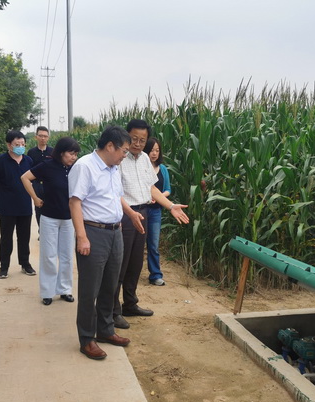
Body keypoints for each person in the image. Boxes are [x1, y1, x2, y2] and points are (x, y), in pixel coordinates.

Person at [113, 119, 189, 330]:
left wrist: (170, 206)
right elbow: (115, 192)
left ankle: (130, 303)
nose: (138, 144)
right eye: (134, 139)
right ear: (127, 136)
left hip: (143, 212)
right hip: (126, 215)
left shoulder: (145, 158)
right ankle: (113, 310)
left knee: (136, 262)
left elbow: (152, 189)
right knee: (120, 264)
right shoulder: (119, 159)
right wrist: (129, 213)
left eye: (142, 140)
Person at [68, 126, 134, 360]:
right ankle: (87, 338)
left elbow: (116, 196)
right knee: (90, 288)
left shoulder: (113, 168)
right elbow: (75, 202)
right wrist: (81, 236)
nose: (125, 155)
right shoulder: (85, 166)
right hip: (93, 232)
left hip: (115, 232)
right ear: (110, 146)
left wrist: (129, 214)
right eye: (124, 151)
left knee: (110, 284)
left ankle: (105, 330)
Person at [21, 137, 79, 305]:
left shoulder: (75, 169)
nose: (74, 157)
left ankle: (65, 290)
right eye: (71, 153)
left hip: (68, 219)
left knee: (67, 256)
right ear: (61, 152)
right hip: (49, 217)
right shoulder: (47, 166)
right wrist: (35, 198)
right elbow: (25, 178)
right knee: (49, 255)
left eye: (76, 154)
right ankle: (47, 292)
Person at [0, 130, 36, 279]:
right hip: (6, 207)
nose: (20, 147)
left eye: (22, 144)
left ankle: (25, 264)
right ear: (9, 145)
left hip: (24, 206)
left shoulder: (28, 161)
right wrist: (4, 193)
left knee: (24, 237)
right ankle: (4, 267)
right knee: (6, 238)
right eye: (17, 144)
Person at [144, 137, 171, 286]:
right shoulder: (141, 168)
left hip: (155, 211)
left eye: (157, 150)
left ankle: (155, 275)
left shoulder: (163, 169)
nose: (154, 153)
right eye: (151, 150)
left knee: (153, 244)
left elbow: (167, 190)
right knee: (136, 245)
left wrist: (158, 198)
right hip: (141, 209)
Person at [27, 126, 53, 227]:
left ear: (48, 137)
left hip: (50, 184)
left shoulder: (52, 152)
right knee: (38, 207)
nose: (43, 138)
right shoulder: (31, 152)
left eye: (45, 136)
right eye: (41, 136)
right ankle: (40, 229)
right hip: (37, 184)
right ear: (36, 137)